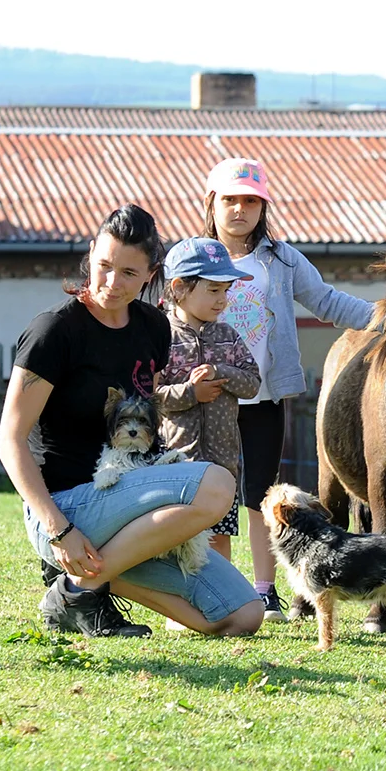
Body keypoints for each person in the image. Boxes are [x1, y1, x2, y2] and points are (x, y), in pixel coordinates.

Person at [0, 205, 261, 638]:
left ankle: (80, 584)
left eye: (127, 273)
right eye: (103, 266)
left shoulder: (153, 327)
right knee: (217, 485)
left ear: (150, 274)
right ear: (90, 254)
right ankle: (79, 585)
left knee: (242, 617)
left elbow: (151, 418)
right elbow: (9, 440)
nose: (111, 283)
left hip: (133, 504)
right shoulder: (53, 332)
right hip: (68, 511)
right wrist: (58, 529)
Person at [201, 158, 378, 623]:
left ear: (263, 207)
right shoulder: (192, 255)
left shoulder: (281, 259)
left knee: (263, 496)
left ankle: (264, 592)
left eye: (250, 201)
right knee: (210, 494)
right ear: (211, 203)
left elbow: (326, 301)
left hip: (263, 397)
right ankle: (215, 588)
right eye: (230, 200)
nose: (239, 210)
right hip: (208, 400)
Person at [157, 237, 262, 563]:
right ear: (179, 288)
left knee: (217, 541)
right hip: (177, 464)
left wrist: (223, 371)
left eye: (226, 291)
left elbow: (253, 384)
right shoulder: (161, 336)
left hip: (223, 464)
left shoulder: (228, 336)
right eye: (214, 290)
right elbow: (150, 397)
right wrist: (191, 392)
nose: (223, 301)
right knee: (177, 540)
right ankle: (179, 614)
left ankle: (222, 608)